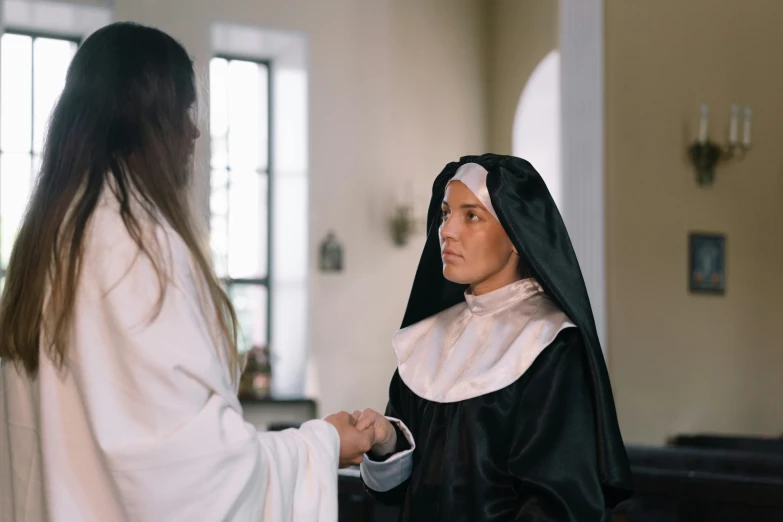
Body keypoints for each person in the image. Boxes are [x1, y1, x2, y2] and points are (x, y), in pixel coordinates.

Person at [0, 22, 371, 522]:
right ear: (147, 120)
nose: (194, 132)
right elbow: (198, 478)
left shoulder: (53, 235)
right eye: (182, 113)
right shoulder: (136, 243)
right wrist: (321, 444)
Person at [354, 155, 633, 521]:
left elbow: (558, 504)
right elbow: (402, 491)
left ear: (517, 235)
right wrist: (386, 441)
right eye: (445, 213)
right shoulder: (428, 339)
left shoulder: (550, 343)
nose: (447, 230)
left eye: (471, 215)